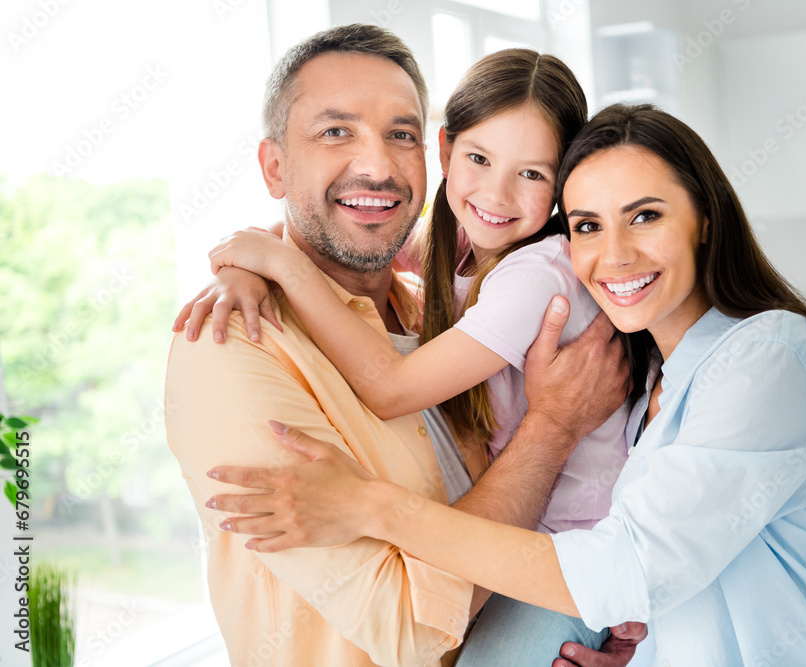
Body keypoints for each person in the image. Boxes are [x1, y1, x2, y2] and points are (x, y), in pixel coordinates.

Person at [204, 105, 806, 666]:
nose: (614, 253)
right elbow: (384, 241)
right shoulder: (647, 367)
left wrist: (369, 507)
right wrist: (256, 264)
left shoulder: (767, 357)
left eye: (646, 215)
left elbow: (625, 565)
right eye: (589, 225)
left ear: (705, 218)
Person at [165, 24, 638, 667]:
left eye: (401, 134)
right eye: (336, 131)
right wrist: (553, 426)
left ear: (428, 153)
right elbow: (407, 629)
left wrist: (577, 638)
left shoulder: (437, 303)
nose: (378, 166)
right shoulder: (232, 345)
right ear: (275, 167)